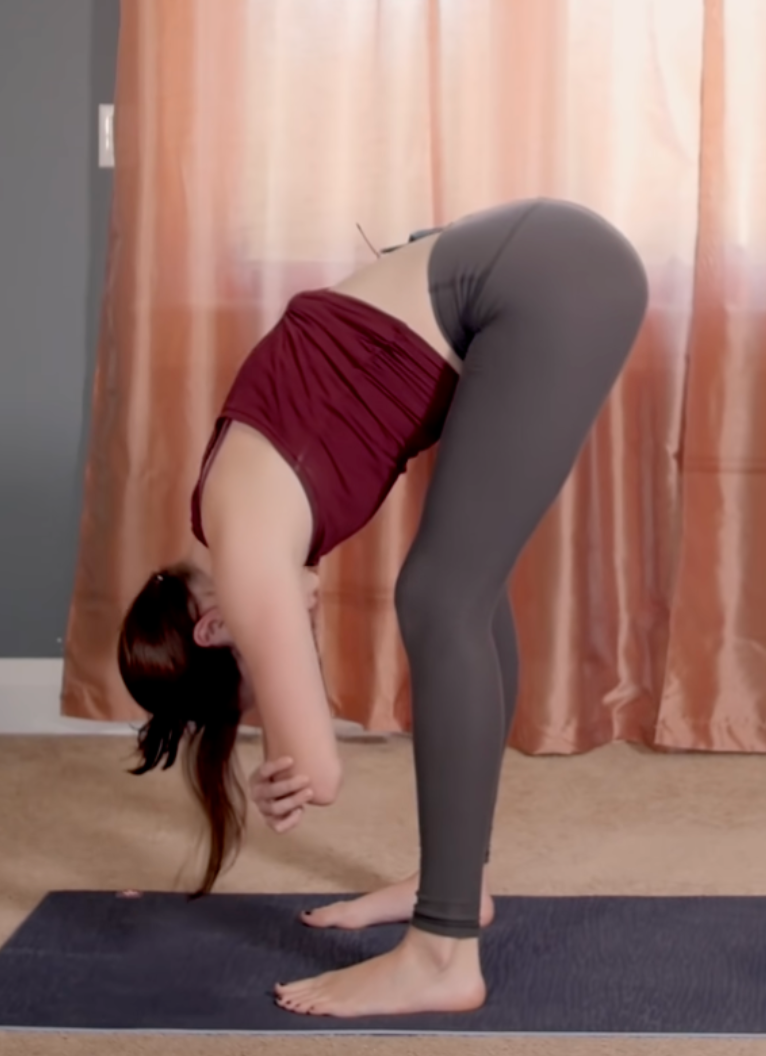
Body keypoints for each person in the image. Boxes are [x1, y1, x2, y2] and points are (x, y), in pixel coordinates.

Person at [113, 197, 649, 1018]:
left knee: (438, 598)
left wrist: (282, 773)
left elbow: (320, 773)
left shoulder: (247, 549)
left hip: (546, 277)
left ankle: (441, 954)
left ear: (217, 628)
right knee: (462, 584)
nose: (289, 645)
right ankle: (455, 888)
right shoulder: (233, 495)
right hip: (545, 265)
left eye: (255, 667)